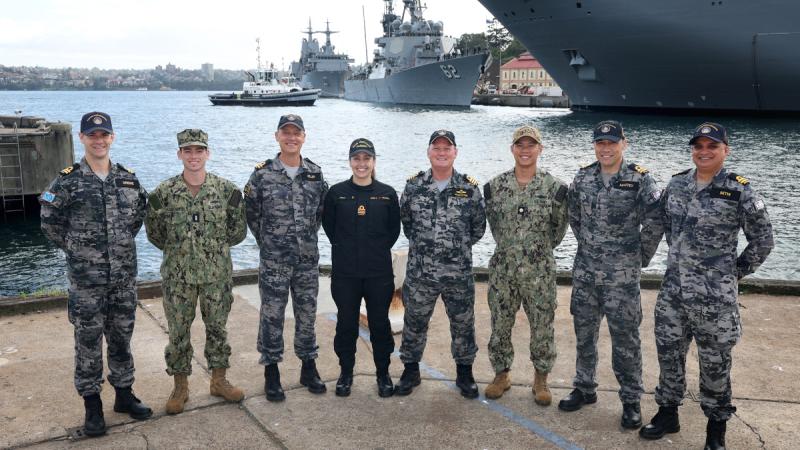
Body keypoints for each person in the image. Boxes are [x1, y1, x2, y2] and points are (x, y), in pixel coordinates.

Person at [640, 123, 774, 449]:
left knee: (715, 363)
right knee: (669, 355)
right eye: (698, 146)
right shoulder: (676, 185)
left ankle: (716, 429)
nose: (704, 151)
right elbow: (657, 226)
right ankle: (667, 412)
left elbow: (763, 239)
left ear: (725, 150)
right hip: (674, 292)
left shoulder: (739, 189)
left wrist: (733, 273)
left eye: (712, 146)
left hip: (715, 299)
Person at [39, 112, 152, 437]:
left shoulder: (128, 180)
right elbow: (49, 221)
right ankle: (92, 406)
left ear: (112, 138)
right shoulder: (67, 180)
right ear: (82, 138)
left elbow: (136, 219)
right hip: (85, 283)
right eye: (93, 135)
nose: (99, 140)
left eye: (104, 135)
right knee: (87, 343)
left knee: (121, 339)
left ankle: (124, 395)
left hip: (122, 281)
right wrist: (77, 249)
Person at [558, 120, 664, 428]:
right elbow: (574, 217)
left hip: (622, 278)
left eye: (612, 142)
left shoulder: (640, 179)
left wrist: (639, 256)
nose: (606, 148)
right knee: (584, 336)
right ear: (595, 145)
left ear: (623, 143)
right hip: (586, 274)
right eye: (601, 143)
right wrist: (593, 246)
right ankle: (584, 387)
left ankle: (631, 400)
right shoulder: (583, 177)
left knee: (626, 340)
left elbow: (655, 220)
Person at [144, 129, 247, 414]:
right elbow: (155, 233)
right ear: (179, 154)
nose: (193, 156)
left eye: (198, 150)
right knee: (178, 332)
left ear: (207, 153)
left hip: (216, 276)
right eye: (187, 151)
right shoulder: (162, 194)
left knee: (217, 329)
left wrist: (211, 252)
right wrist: (181, 254)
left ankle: (219, 380)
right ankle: (180, 386)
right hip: (178, 278)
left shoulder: (227, 192)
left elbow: (237, 232)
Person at [395, 129, 486, 398]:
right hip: (421, 272)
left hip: (457, 272)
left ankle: (465, 373)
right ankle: (410, 371)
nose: (442, 152)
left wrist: (454, 249)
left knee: (463, 323)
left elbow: (478, 228)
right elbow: (406, 224)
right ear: (429, 152)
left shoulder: (469, 187)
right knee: (414, 322)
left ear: (455, 152)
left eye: (447, 148)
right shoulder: (414, 186)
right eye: (437, 148)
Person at [244, 114, 329, 402]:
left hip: (306, 260)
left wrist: (302, 239)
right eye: (286, 133)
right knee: (272, 316)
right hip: (274, 261)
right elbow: (252, 215)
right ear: (277, 136)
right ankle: (272, 373)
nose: (291, 138)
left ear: (304, 137)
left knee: (307, 315)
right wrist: (270, 242)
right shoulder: (262, 175)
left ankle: (308, 367)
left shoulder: (315, 175)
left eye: (297, 133)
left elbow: (319, 215)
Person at [483, 126, 568, 405]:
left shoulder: (555, 188)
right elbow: (494, 226)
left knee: (542, 325)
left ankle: (540, 378)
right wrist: (512, 248)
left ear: (540, 149)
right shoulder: (494, 187)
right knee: (500, 324)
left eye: (531, 145)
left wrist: (534, 252)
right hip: (503, 270)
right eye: (520, 145)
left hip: (539, 271)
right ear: (512, 149)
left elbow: (558, 230)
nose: (525, 150)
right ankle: (501, 374)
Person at [321, 138, 401, 398]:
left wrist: (372, 252)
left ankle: (383, 373)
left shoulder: (387, 194)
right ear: (350, 161)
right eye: (357, 158)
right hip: (346, 274)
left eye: (366, 158)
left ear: (374, 161)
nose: (361, 163)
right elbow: (330, 229)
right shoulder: (336, 193)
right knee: (346, 325)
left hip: (378, 274)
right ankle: (346, 374)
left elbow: (393, 232)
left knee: (379, 324)